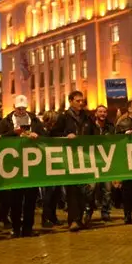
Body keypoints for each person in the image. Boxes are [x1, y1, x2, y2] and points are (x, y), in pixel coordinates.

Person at [0, 95, 45, 238]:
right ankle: (16, 227)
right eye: (19, 109)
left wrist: (37, 135)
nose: (21, 111)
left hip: (31, 163)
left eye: (24, 108)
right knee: (15, 199)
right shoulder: (6, 121)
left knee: (31, 198)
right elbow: (1, 138)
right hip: (14, 164)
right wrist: (13, 133)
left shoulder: (34, 120)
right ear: (14, 108)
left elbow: (45, 135)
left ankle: (28, 228)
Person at [50, 90, 94, 231]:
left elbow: (94, 134)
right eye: (77, 100)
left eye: (82, 101)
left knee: (85, 190)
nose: (81, 103)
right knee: (72, 190)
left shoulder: (87, 117)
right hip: (69, 157)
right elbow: (53, 134)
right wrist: (65, 135)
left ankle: (81, 218)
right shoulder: (64, 117)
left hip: (84, 157)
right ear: (70, 101)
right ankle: (73, 220)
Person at [91, 105, 115, 222]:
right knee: (91, 188)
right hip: (92, 161)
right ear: (96, 113)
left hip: (106, 162)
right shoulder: (90, 127)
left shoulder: (110, 127)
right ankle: (89, 211)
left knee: (108, 189)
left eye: (104, 112)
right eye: (100, 111)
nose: (102, 114)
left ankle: (105, 212)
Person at [40, 110, 63, 228]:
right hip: (46, 165)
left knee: (56, 193)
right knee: (48, 193)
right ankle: (46, 217)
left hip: (56, 163)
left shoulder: (56, 131)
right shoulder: (42, 131)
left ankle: (53, 216)